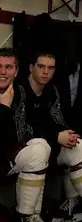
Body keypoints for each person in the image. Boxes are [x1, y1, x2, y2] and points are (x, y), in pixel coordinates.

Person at [18, 52, 82, 221]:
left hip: (48, 146)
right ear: (30, 68)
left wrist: (67, 135)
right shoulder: (19, 89)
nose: (45, 72)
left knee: (79, 145)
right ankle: (28, 215)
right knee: (39, 146)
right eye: (41, 67)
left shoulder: (52, 90)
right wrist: (55, 136)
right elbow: (22, 129)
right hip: (23, 150)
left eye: (50, 68)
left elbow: (58, 120)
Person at [0, 48, 52, 222]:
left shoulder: (19, 91)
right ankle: (26, 215)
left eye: (8, 67)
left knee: (42, 145)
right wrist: (4, 109)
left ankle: (30, 214)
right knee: (38, 150)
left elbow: (21, 130)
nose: (3, 72)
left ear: (16, 71)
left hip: (8, 154)